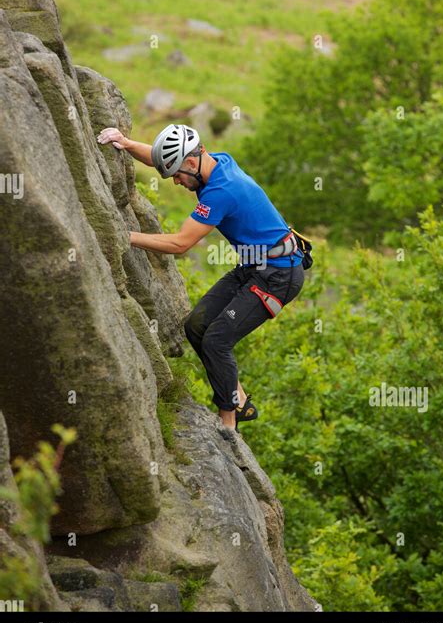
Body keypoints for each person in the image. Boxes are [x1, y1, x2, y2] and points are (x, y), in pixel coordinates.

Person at [97, 124, 306, 433]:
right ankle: (240, 400)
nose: (178, 183)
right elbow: (163, 161)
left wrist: (125, 236)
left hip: (279, 274)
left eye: (178, 176)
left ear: (192, 163)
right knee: (196, 326)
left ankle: (228, 424)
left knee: (217, 340)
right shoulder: (213, 161)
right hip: (255, 266)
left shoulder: (222, 191)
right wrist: (125, 144)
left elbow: (180, 244)